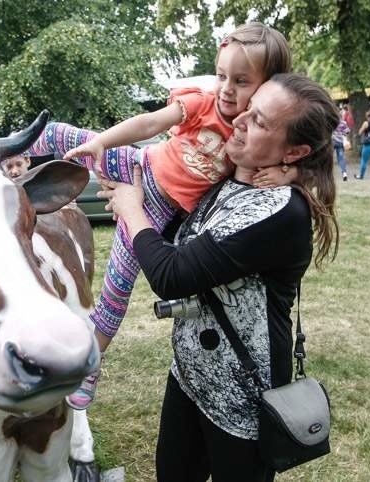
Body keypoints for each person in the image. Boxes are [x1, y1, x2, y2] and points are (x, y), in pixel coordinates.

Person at [26, 22, 294, 410]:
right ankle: (4, 150)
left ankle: (90, 364)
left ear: (267, 86)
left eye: (241, 80)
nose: (227, 89)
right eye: (221, 76)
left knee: (115, 293)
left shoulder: (252, 136)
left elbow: (300, 149)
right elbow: (151, 123)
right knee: (66, 136)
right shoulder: (203, 102)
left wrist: (290, 171)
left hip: (153, 211)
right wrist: (101, 141)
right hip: (139, 164)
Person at [99, 73, 339, 482]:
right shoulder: (226, 181)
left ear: (296, 150)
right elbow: (183, 241)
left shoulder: (280, 210)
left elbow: (172, 274)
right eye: (249, 107)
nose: (240, 119)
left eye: (260, 122)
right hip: (190, 375)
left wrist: (132, 209)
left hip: (243, 395)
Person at [332, 110, 351, 181]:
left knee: (329, 158)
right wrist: (342, 135)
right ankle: (344, 173)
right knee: (341, 158)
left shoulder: (332, 122)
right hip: (340, 143)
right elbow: (347, 131)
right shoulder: (343, 123)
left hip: (332, 142)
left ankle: (329, 174)